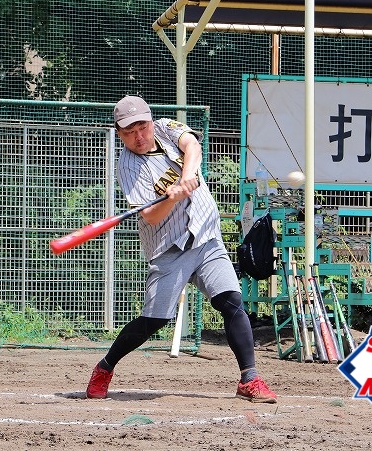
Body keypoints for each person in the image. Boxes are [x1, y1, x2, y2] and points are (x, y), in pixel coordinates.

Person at [85, 96, 277, 403]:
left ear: (151, 122)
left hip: (206, 235)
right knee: (155, 320)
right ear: (119, 134)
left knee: (231, 301)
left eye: (142, 127)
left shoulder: (165, 128)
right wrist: (172, 196)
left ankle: (249, 379)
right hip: (169, 248)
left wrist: (187, 177)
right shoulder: (128, 166)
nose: (139, 136)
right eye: (129, 132)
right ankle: (105, 366)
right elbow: (150, 215)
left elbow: (192, 145)